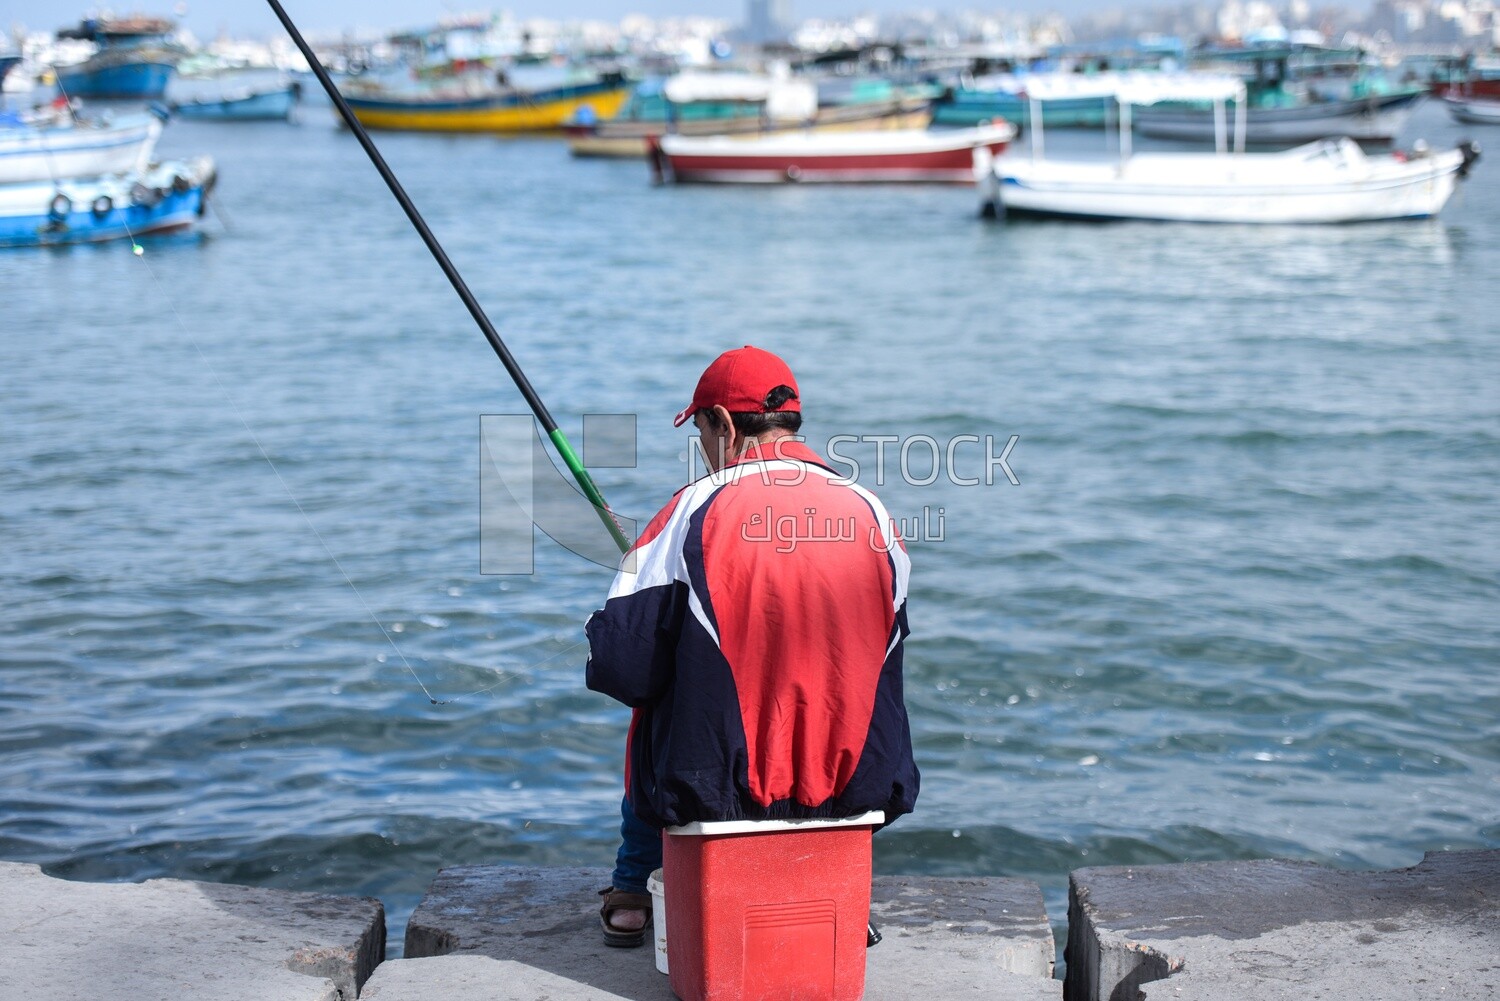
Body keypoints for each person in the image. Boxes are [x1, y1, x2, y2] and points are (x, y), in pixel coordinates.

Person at [585, 345, 919, 947]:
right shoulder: (873, 513)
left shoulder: (689, 511)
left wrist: (621, 608)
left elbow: (621, 670)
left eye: (703, 432)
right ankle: (837, 888)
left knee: (654, 697)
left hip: (719, 791)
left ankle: (632, 884)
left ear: (725, 423)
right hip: (856, 788)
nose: (704, 451)